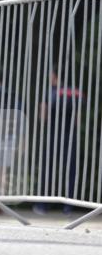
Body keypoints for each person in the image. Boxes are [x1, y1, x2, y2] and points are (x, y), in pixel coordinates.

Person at [34, 69, 82, 215]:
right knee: (70, 170)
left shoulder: (49, 92)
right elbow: (78, 120)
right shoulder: (74, 92)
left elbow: (43, 117)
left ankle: (43, 205)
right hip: (69, 136)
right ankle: (68, 207)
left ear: (54, 76)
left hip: (53, 135)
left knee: (47, 168)